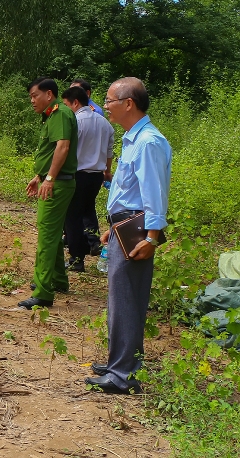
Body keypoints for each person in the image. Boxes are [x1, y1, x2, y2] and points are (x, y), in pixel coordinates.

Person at [86, 77, 171, 394]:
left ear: (128, 103)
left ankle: (124, 375)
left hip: (138, 229)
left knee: (127, 299)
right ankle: (119, 363)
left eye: (108, 101)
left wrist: (151, 238)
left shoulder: (148, 142)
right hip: (125, 225)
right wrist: (112, 224)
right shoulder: (134, 139)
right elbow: (129, 190)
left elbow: (154, 194)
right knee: (119, 298)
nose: (104, 106)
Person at [20, 78, 78, 309]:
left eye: (35, 95)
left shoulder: (60, 114)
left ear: (49, 94)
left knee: (46, 236)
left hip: (59, 183)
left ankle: (43, 292)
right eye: (31, 97)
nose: (32, 101)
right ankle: (58, 280)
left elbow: (63, 146)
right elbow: (52, 150)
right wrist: (40, 176)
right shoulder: (52, 115)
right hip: (55, 180)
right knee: (52, 233)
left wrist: (51, 178)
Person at [61, 85, 115, 271]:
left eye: (66, 104)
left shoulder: (75, 121)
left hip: (78, 174)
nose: (65, 108)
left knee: (73, 217)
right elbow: (109, 151)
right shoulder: (104, 123)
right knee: (87, 209)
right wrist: (107, 171)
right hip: (96, 177)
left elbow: (67, 150)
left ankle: (77, 259)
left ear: (75, 102)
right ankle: (92, 242)